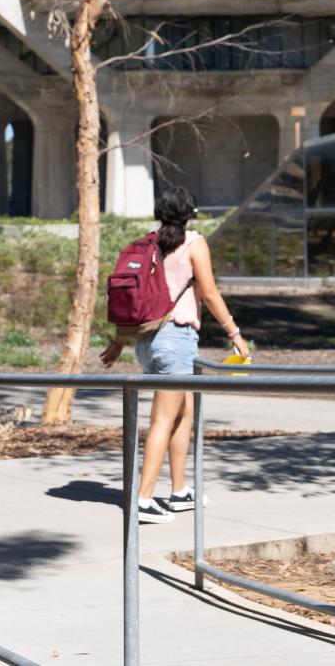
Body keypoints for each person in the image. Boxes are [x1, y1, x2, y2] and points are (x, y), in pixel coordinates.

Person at [99, 188, 251, 523]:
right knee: (163, 419)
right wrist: (235, 334)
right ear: (191, 212)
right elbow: (209, 293)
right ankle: (142, 498)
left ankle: (179, 491)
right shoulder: (194, 243)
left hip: (147, 340)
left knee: (184, 413)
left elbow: (138, 299)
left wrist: (119, 341)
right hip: (176, 338)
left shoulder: (149, 243)